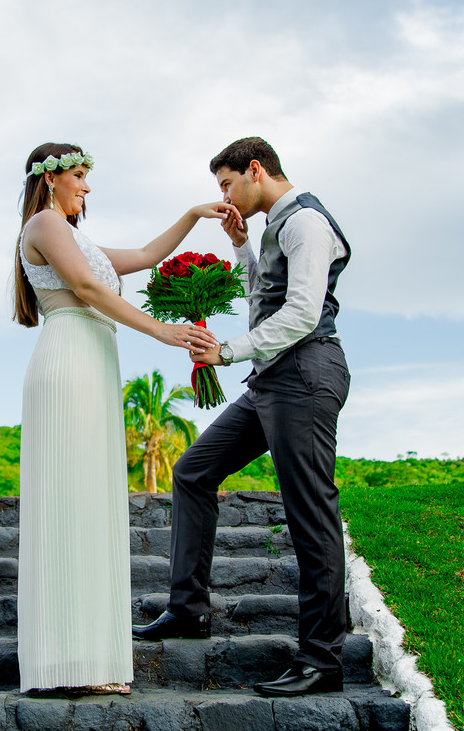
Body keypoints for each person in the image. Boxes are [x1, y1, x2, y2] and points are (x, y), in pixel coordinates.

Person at [132, 137, 353, 699]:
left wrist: (225, 351)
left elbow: (302, 312)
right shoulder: (276, 226)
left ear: (256, 170)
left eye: (228, 184)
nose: (225, 196)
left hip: (305, 372)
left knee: (309, 512)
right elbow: (269, 295)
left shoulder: (305, 222)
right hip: (273, 379)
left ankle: (323, 660)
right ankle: (188, 610)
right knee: (193, 470)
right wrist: (243, 249)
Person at [13, 141, 237, 695]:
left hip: (92, 359)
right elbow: (88, 288)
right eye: (80, 176)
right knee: (70, 498)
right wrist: (163, 331)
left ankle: (87, 656)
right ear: (52, 180)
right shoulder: (43, 224)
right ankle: (62, 659)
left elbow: (142, 254)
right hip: (69, 358)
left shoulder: (74, 236)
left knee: (90, 498)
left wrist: (190, 216)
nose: (87, 187)